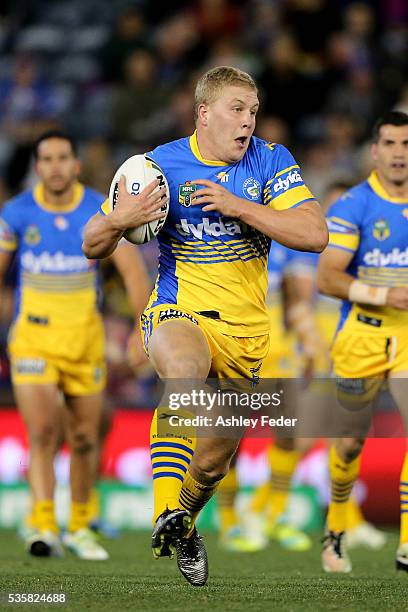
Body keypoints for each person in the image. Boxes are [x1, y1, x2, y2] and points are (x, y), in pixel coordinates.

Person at [82, 65, 328, 586]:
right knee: (185, 377)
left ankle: (184, 520)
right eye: (238, 109)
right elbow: (91, 244)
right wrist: (118, 221)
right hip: (178, 310)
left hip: (246, 335)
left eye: (254, 111)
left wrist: (242, 207)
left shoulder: (270, 161)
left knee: (215, 462)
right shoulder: (157, 166)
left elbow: (314, 233)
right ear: (204, 114)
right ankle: (163, 508)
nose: (248, 121)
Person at [0, 130, 150, 560]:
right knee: (43, 431)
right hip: (33, 339)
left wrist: (143, 327)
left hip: (85, 342)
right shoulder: (17, 213)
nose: (56, 166)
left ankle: (81, 523)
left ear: (76, 164)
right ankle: (44, 524)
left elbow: (133, 272)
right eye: (46, 159)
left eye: (64, 157)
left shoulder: (100, 209)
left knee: (85, 436)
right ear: (37, 166)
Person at [317, 110, 408, 573]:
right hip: (362, 335)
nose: (399, 153)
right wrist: (384, 293)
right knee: (350, 442)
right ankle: (335, 530)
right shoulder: (353, 206)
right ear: (375, 151)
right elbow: (327, 278)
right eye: (390, 144)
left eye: (406, 144)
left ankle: (407, 545)